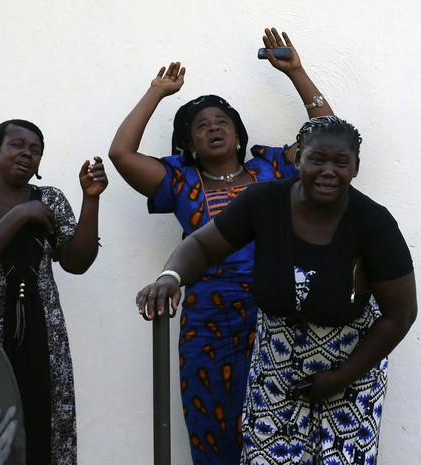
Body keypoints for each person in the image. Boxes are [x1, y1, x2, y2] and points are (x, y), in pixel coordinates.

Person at [108, 28, 333, 464]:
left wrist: (297, 73)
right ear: (188, 143)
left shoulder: (271, 168)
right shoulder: (178, 180)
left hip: (277, 314)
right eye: (201, 127)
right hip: (207, 319)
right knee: (212, 427)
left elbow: (326, 140)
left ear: (238, 133)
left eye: (222, 122)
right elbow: (121, 154)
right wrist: (156, 93)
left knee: (280, 424)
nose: (213, 129)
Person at [137, 115, 417, 464]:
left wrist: (340, 377)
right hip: (275, 371)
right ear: (298, 159)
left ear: (356, 167)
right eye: (317, 159)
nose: (328, 171)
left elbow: (400, 314)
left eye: (341, 162)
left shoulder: (374, 224)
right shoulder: (264, 202)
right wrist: (170, 277)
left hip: (351, 373)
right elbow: (204, 247)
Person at [0, 119, 108, 465]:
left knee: (46, 428)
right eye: (17, 145)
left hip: (45, 338)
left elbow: (77, 261)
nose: (26, 153)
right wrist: (20, 215)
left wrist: (90, 200)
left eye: (35, 150)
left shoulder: (49, 199)